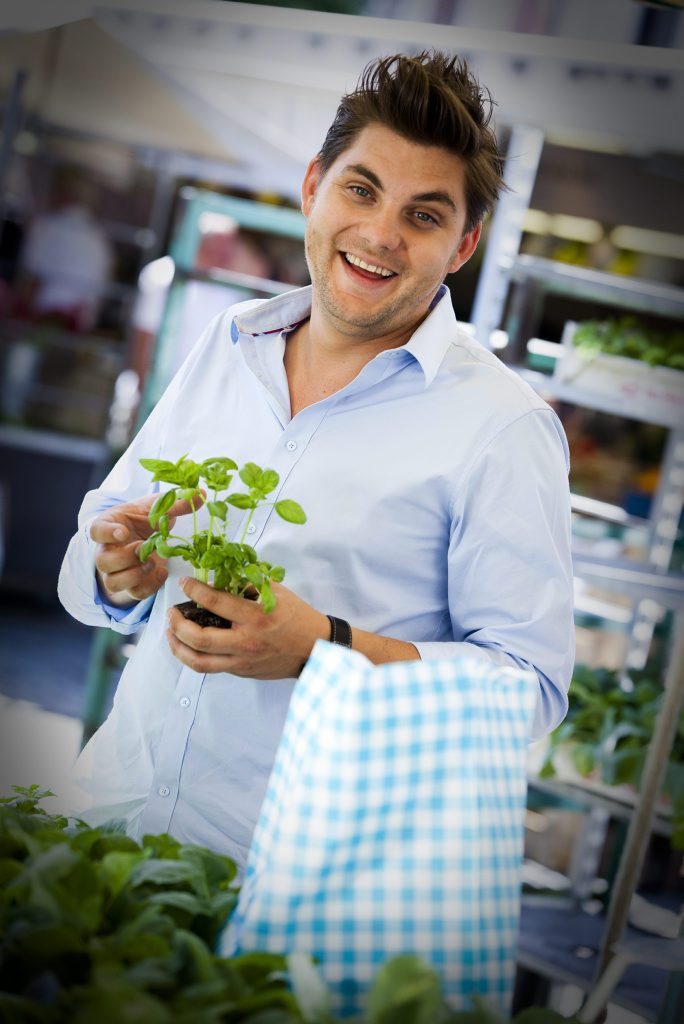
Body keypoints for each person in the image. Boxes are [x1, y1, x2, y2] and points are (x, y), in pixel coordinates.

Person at [59, 51, 574, 874]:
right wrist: (115, 567)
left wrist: (324, 648)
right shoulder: (230, 343)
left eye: (425, 215)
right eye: (361, 190)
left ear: (465, 244)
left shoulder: (502, 427)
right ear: (313, 186)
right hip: (107, 823)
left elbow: (529, 693)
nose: (379, 236)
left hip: (290, 891)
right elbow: (99, 540)